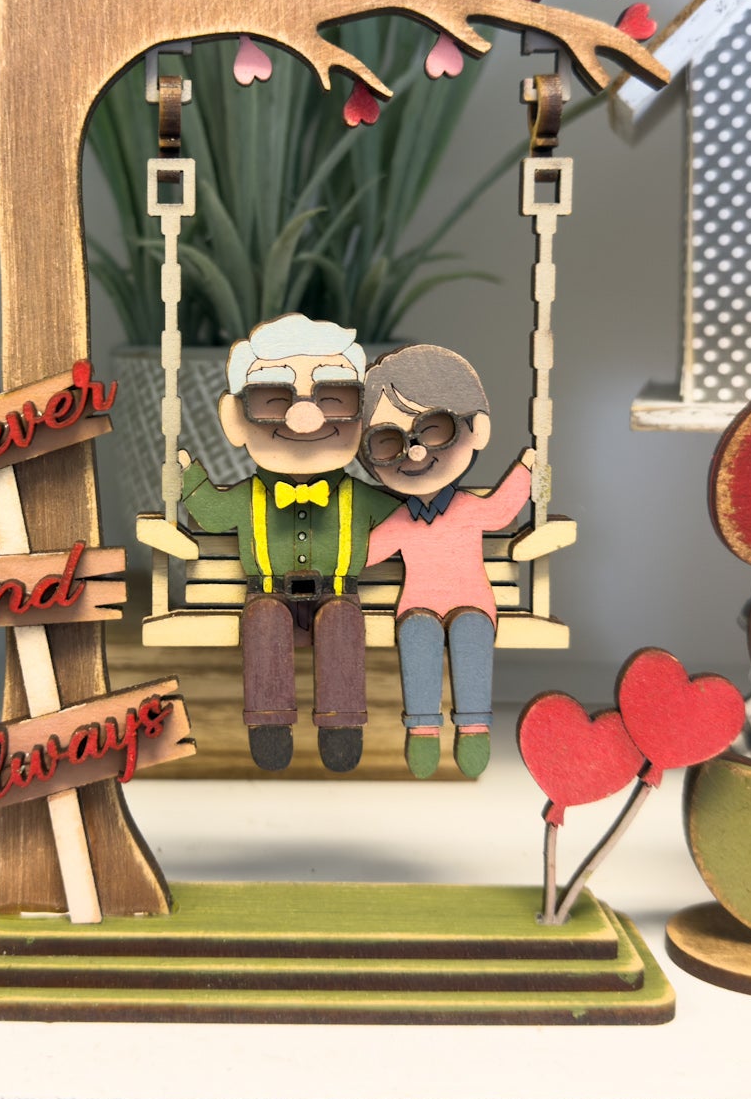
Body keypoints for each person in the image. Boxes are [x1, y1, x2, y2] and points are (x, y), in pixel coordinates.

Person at [178, 313, 399, 773]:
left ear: (363, 417)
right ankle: (269, 723)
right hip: (268, 592)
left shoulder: (361, 498)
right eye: (273, 400)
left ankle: (342, 725)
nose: (304, 418)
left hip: (338, 593)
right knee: (263, 620)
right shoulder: (249, 497)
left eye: (334, 399)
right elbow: (211, 513)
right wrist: (184, 476)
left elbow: (406, 517)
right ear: (236, 419)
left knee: (341, 620)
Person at [360, 345, 534, 779]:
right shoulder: (401, 519)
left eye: (434, 429)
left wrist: (533, 469)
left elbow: (501, 511)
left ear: (475, 430)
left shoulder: (468, 509)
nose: (416, 453)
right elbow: (365, 554)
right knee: (417, 633)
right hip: (417, 606)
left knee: (472, 629)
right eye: (388, 442)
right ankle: (422, 728)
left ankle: (474, 726)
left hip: (472, 603)